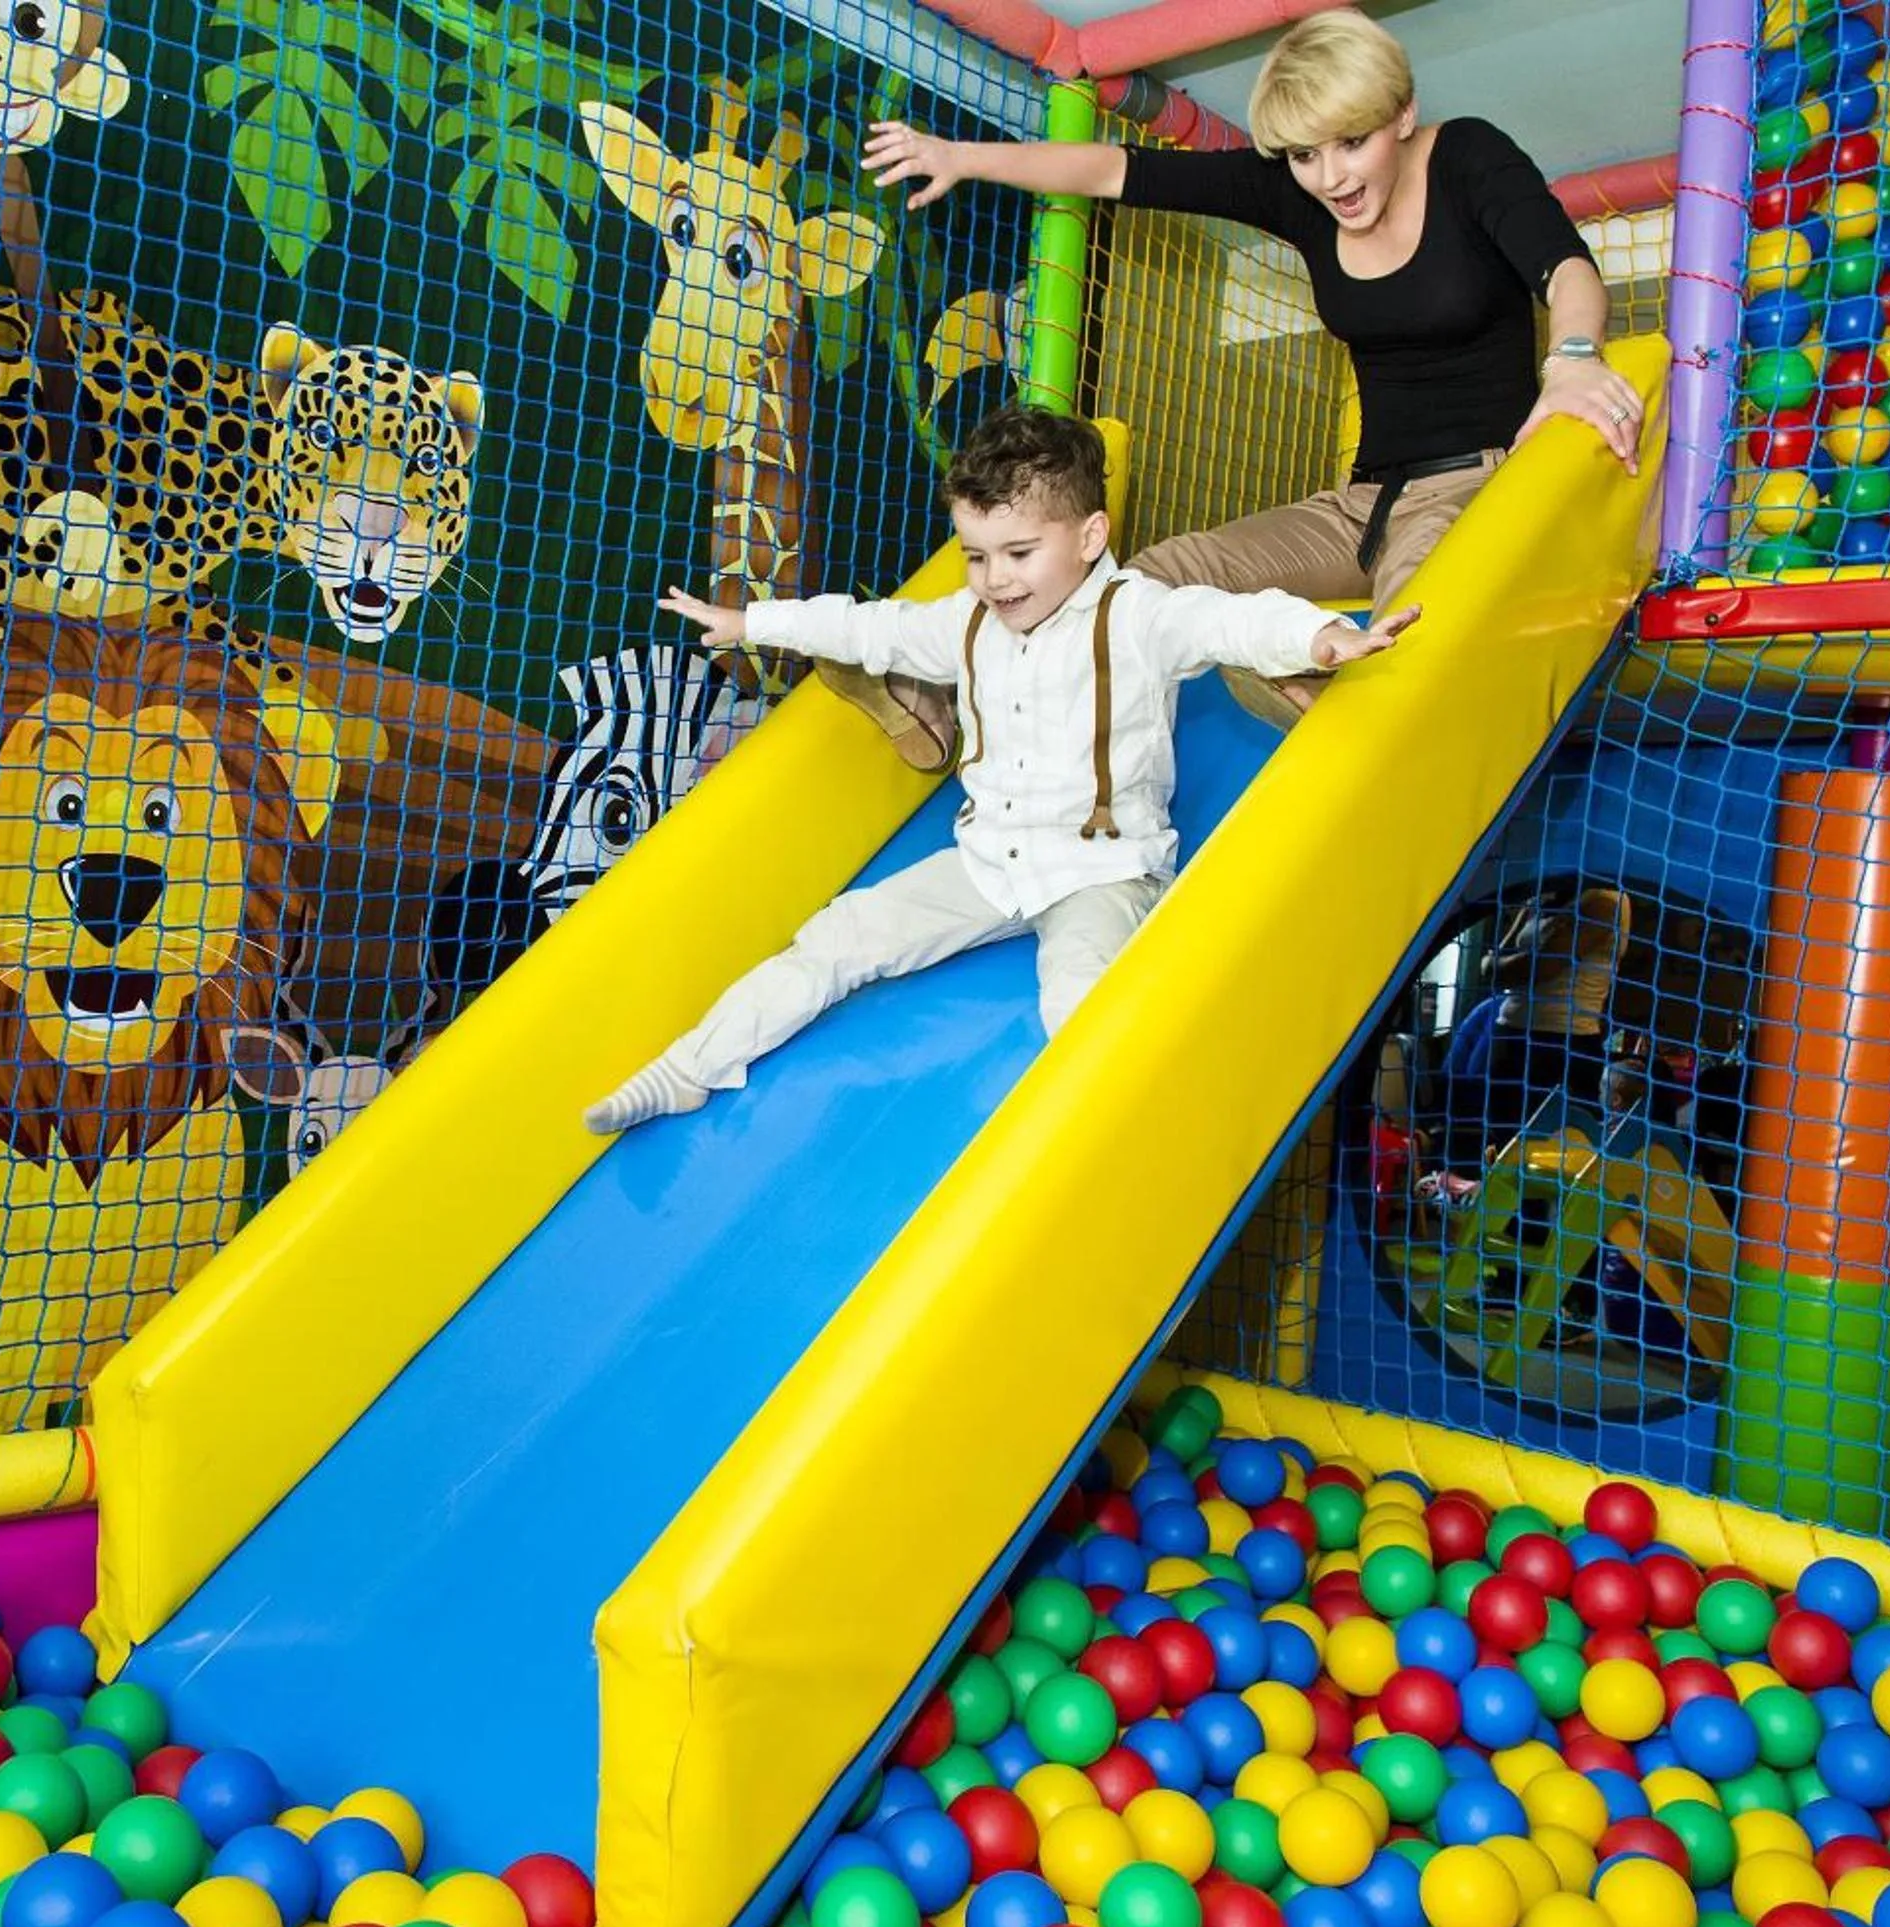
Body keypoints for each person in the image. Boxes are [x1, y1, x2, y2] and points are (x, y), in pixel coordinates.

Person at [582, 404, 1415, 1135]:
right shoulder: (970, 622)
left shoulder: (1136, 615)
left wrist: (1318, 638)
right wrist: (752, 619)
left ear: (1090, 538)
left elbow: (1227, 619)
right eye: (977, 556)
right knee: (838, 938)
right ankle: (691, 1068)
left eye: (1018, 553)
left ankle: (1131, 1130)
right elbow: (874, 628)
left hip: (1101, 869)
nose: (995, 579)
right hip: (990, 863)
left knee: (1078, 999)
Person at [859, 9, 1638, 731]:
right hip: (1362, 504)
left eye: (1352, 142)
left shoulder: (1467, 156)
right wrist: (960, 155)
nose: (1331, 177)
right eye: (1305, 155)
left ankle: (1323, 686)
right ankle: (949, 689)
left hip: (1473, 488)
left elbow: (1565, 267)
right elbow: (1114, 171)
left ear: (1401, 116)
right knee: (1152, 576)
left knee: (1418, 626)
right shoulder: (1303, 197)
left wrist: (1572, 358)